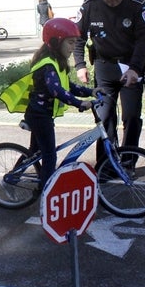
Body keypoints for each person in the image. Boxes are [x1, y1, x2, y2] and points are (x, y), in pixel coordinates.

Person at [73, 0, 145, 159]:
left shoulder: (137, 5)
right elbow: (78, 36)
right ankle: (107, 163)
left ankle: (128, 160)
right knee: (104, 116)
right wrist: (80, 65)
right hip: (104, 66)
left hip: (130, 67)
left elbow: (144, 41)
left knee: (131, 116)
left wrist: (134, 69)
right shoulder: (91, 5)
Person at [23, 18, 103, 187]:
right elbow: (56, 90)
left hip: (42, 113)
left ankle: (15, 175)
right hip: (39, 115)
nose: (73, 47)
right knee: (49, 155)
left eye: (75, 43)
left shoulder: (57, 62)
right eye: (70, 43)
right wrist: (79, 103)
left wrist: (90, 91)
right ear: (55, 41)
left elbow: (69, 86)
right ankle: (47, 191)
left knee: (34, 152)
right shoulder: (47, 65)